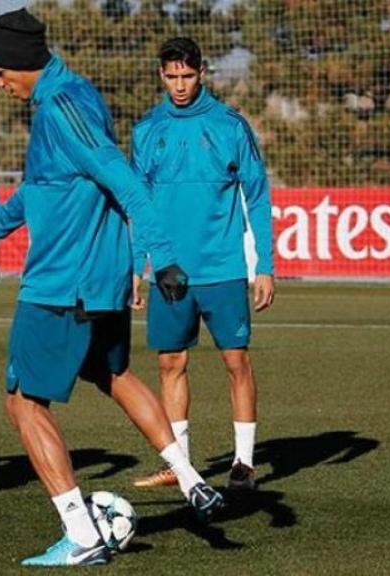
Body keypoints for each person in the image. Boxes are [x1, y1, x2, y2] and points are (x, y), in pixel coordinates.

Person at [0, 10, 222, 567]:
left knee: (23, 401)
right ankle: (191, 477)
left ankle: (80, 531)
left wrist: (163, 257)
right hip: (97, 282)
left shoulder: (61, 109)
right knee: (113, 374)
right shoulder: (75, 95)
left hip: (62, 283)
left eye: (0, 72)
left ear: (24, 63)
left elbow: (121, 178)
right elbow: (42, 191)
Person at [130, 37, 274, 492]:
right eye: (171, 76)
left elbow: (258, 194)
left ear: (202, 72)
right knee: (171, 362)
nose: (179, 85)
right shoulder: (147, 130)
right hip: (170, 274)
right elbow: (139, 206)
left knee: (236, 360)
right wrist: (137, 268)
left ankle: (244, 463)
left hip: (224, 267)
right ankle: (182, 464)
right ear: (160, 75)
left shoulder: (230, 125)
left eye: (187, 76)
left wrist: (264, 265)